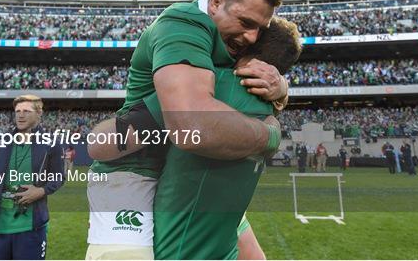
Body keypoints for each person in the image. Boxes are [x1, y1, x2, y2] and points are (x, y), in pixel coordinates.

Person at [87, 14, 299, 258]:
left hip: (146, 176)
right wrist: (279, 100)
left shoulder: (212, 84)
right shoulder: (263, 101)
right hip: (146, 177)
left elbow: (99, 144)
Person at [0, 95, 64, 260]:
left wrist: (42, 191)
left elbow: (58, 177)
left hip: (30, 232)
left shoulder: (52, 144)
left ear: (39, 113)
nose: (20, 115)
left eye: (26, 111)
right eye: (17, 111)